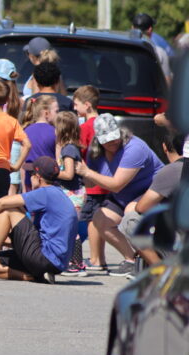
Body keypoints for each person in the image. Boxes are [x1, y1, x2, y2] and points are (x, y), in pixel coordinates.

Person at [0, 156, 77, 282]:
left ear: (38, 177)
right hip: (54, 263)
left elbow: (0, 203)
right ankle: (29, 275)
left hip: (45, 257)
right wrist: (2, 239)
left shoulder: (45, 192)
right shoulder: (59, 194)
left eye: (31, 174)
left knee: (9, 211)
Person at [76, 114, 163, 278]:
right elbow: (90, 184)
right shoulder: (95, 152)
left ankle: (148, 261)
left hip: (151, 192)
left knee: (132, 211)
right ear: (99, 139)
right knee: (100, 219)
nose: (112, 142)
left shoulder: (135, 147)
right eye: (107, 140)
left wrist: (87, 172)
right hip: (123, 195)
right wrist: (81, 174)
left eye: (114, 137)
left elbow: (116, 184)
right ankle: (131, 260)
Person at [127, 129, 185, 266]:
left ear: (164, 147)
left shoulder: (171, 171)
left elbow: (142, 207)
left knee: (130, 220)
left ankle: (160, 269)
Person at [72, 85, 105, 270]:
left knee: (92, 220)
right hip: (104, 178)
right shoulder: (103, 123)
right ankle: (100, 258)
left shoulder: (85, 127)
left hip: (90, 181)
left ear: (87, 105)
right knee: (99, 218)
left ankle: (94, 260)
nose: (75, 108)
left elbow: (80, 152)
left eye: (76, 105)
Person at [0, 80, 31, 205]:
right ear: (7, 100)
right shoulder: (12, 121)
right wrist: (16, 166)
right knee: (0, 206)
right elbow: (27, 144)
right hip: (3, 169)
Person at [54, 111, 87, 275]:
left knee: (71, 229)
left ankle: (75, 263)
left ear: (61, 130)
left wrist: (51, 173)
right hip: (74, 193)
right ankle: (73, 261)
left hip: (72, 194)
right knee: (70, 228)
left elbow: (68, 174)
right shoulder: (72, 148)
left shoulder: (68, 150)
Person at [21, 95, 58, 192]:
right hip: (50, 183)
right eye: (56, 111)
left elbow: (22, 163)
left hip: (30, 181)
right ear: (46, 113)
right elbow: (59, 161)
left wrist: (24, 188)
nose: (58, 115)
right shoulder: (55, 132)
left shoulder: (26, 131)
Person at [131, 13, 172, 83]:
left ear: (132, 28)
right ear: (150, 29)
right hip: (149, 93)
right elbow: (167, 82)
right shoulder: (159, 52)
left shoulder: (121, 48)